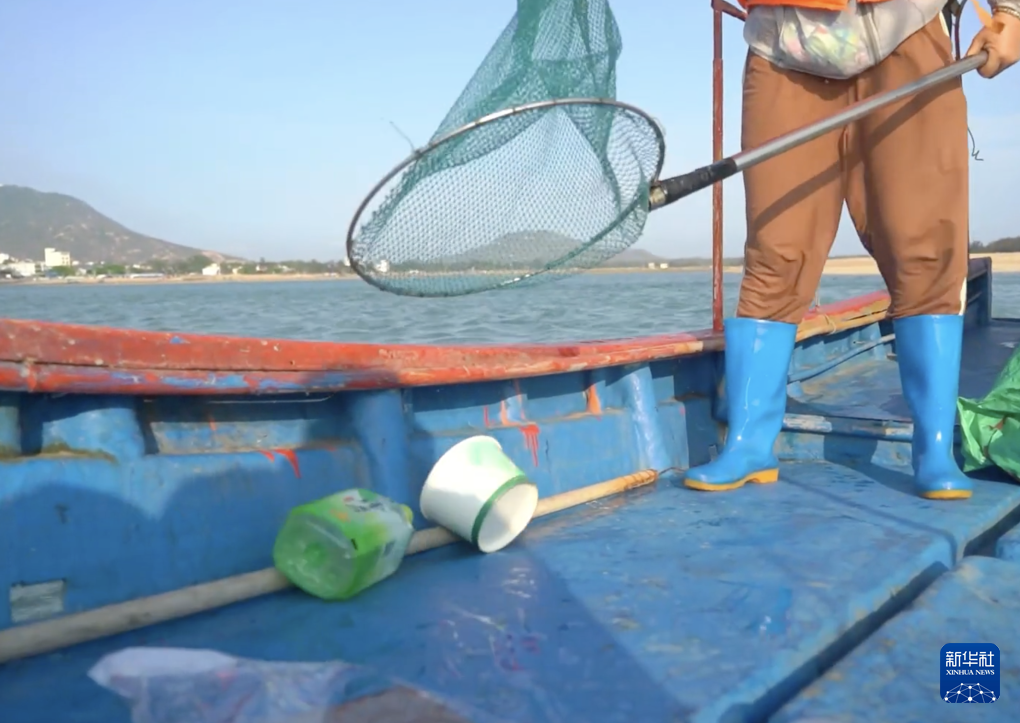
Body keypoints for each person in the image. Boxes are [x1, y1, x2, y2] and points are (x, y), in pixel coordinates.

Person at [683, 0, 1020, 500]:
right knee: (777, 251)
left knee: (924, 249)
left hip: (908, 33)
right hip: (783, 46)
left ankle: (934, 449)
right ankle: (749, 444)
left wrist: (1010, 13)